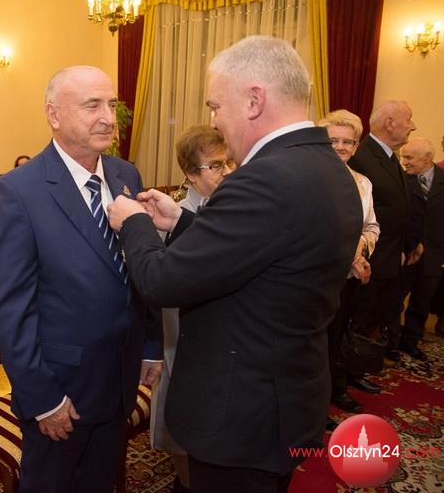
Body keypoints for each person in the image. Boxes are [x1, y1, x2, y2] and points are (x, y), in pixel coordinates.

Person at [107, 36, 361, 491]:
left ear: (254, 100)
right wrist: (181, 222)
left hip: (240, 417)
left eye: (215, 106)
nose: (214, 121)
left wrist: (134, 224)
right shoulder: (326, 167)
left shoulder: (265, 178)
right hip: (287, 399)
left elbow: (161, 281)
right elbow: (263, 253)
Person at [0, 65, 162, 493]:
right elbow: (11, 312)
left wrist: (151, 344)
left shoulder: (125, 174)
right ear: (54, 114)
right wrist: (42, 397)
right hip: (61, 389)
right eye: (92, 105)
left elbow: (137, 271)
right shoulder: (18, 192)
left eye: (111, 105)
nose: (108, 117)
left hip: (118, 378)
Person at [151, 126, 233, 493]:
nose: (226, 172)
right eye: (214, 166)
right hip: (182, 337)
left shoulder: (240, 208)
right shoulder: (170, 217)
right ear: (189, 174)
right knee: (183, 422)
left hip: (228, 339)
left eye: (229, 162)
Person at [317, 110, 380, 418]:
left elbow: (372, 227)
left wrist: (361, 249)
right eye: (333, 141)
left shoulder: (363, 183)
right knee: (314, 343)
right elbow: (315, 230)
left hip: (350, 278)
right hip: (317, 277)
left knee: (338, 337)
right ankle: (313, 405)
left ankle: (333, 391)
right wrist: (352, 258)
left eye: (348, 142)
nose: (341, 147)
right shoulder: (311, 180)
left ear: (356, 147)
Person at [348, 100, 420, 366]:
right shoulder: (362, 156)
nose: (413, 126)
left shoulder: (389, 156)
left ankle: (360, 367)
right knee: (358, 319)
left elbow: (398, 205)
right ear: (390, 123)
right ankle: (349, 372)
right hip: (369, 258)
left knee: (373, 318)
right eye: (408, 119)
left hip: (389, 256)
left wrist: (410, 243)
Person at [396, 137, 444, 362]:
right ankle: (390, 342)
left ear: (427, 158)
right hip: (406, 253)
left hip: (434, 255)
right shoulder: (402, 180)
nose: (404, 162)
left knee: (421, 303)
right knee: (395, 300)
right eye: (403, 157)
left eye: (409, 157)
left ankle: (410, 343)